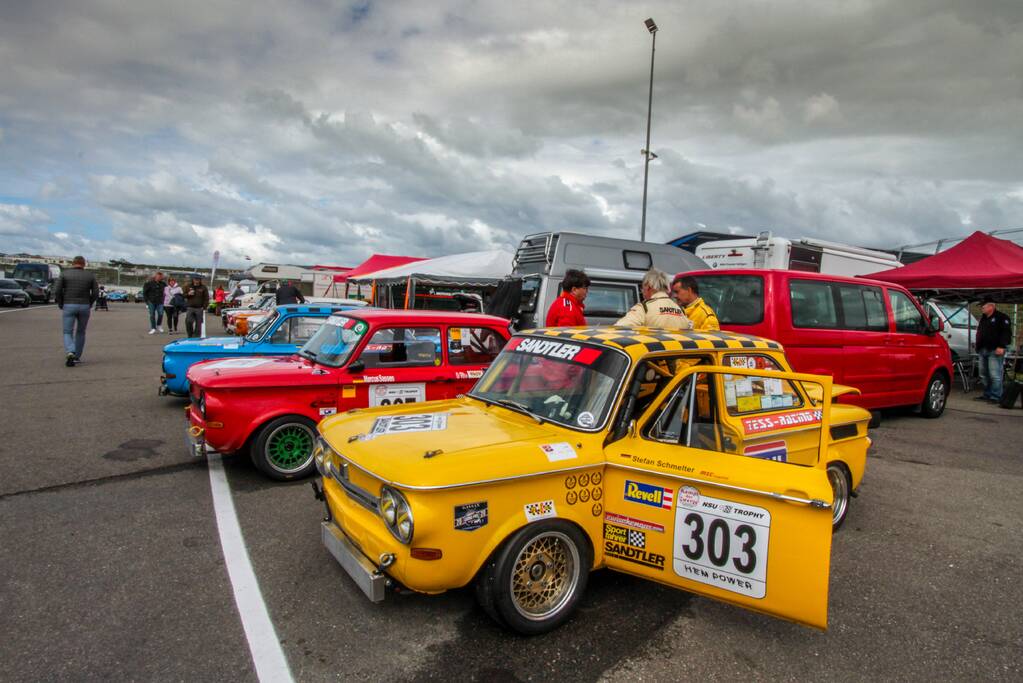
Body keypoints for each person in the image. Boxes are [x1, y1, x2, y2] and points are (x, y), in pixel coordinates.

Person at [54, 255, 98, 366]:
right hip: (84, 306)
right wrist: (90, 303)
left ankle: (70, 351)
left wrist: (61, 303)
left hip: (69, 305)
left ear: (73, 263)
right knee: (81, 332)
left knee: (67, 332)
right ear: (84, 264)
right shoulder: (90, 276)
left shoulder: (64, 274)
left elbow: (57, 290)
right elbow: (95, 293)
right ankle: (77, 356)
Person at [616, 268, 693, 330]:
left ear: (648, 287)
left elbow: (619, 328)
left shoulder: (644, 308)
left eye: (642, 288)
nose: (642, 291)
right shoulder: (681, 311)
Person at [975, 297, 1013, 402]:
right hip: (983, 349)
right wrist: (978, 346)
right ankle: (987, 394)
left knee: (994, 374)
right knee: (983, 374)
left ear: (991, 306)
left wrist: (1002, 346)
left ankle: (996, 396)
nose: (981, 308)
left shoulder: (1002, 317)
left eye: (983, 306)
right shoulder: (983, 318)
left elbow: (1006, 333)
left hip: (995, 349)